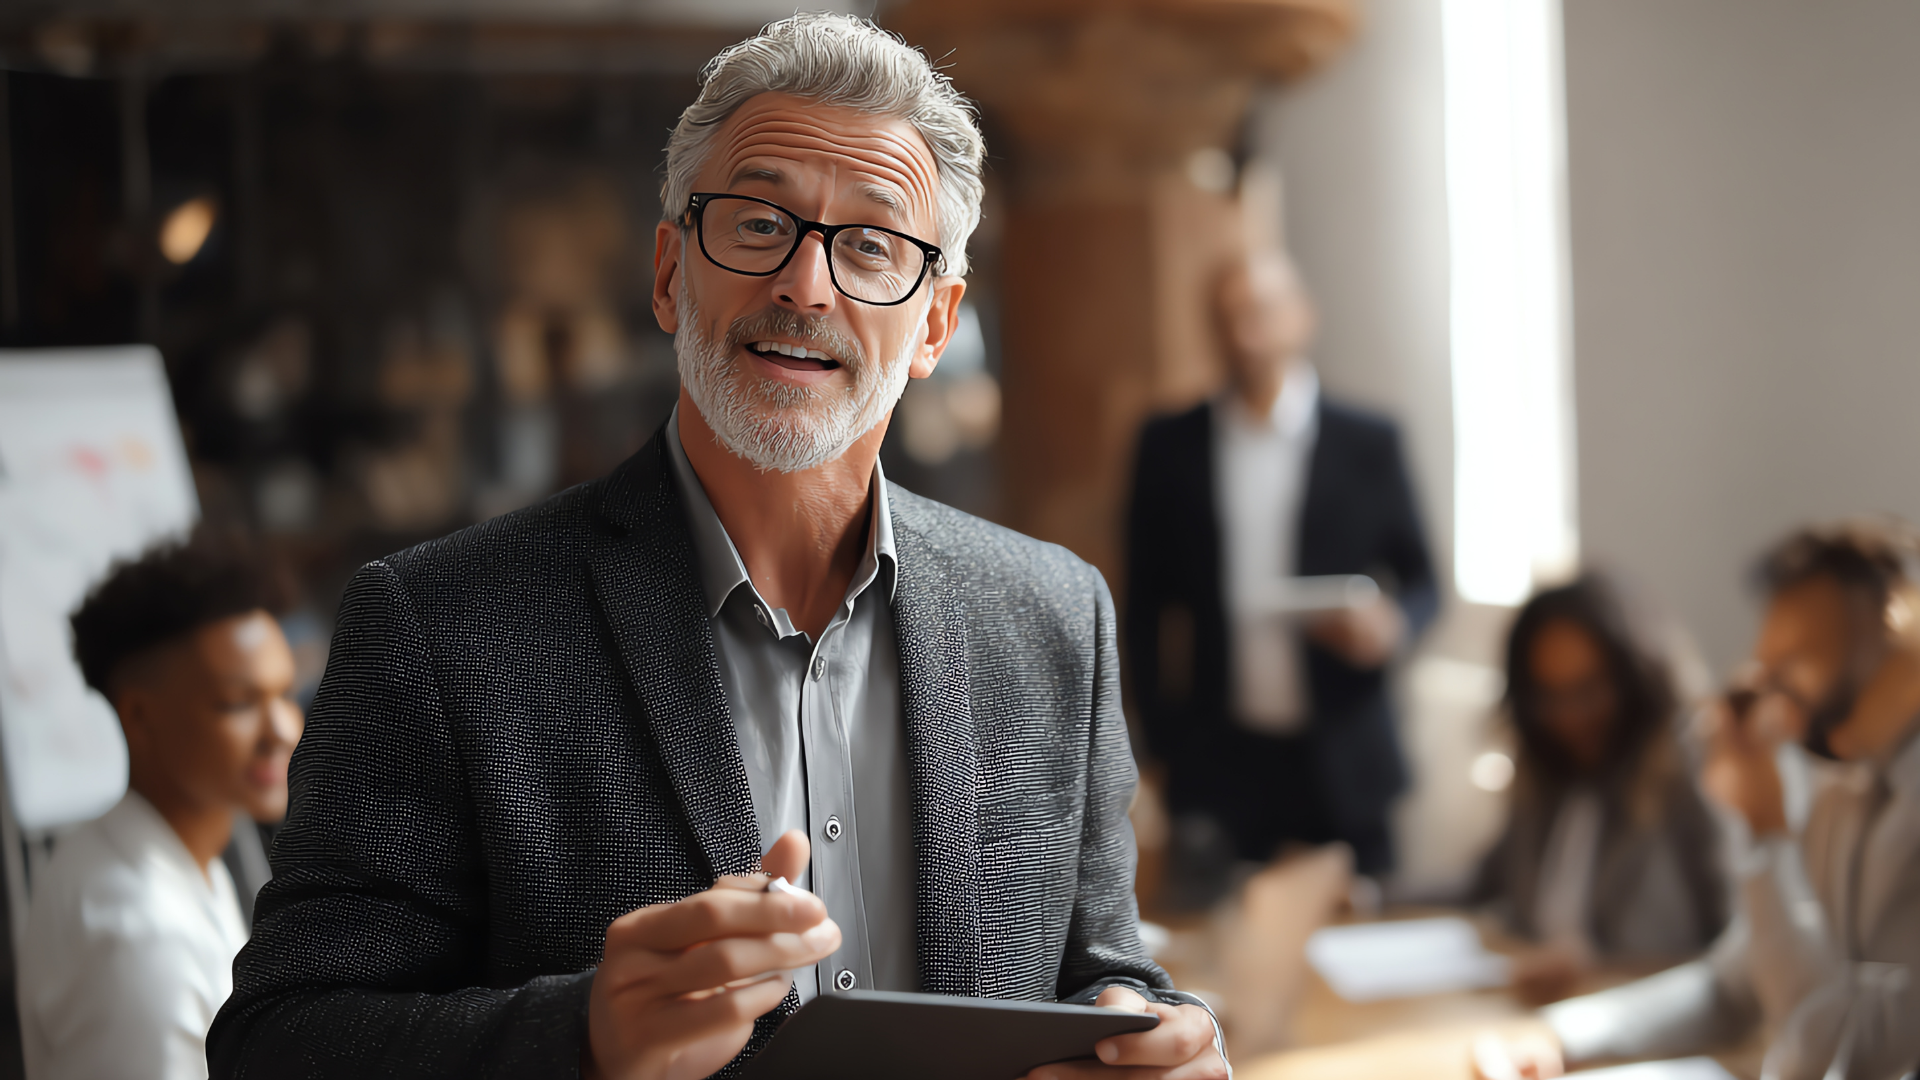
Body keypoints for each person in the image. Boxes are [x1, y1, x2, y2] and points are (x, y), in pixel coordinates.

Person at [209, 15, 1226, 1080]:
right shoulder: (441, 627)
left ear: (934, 324)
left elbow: (1104, 975)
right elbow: (280, 1042)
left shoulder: (1056, 616)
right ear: (667, 273)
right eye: (755, 223)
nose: (806, 284)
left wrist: (1157, 1035)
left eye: (872, 243)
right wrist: (588, 1034)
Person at [1483, 520, 1920, 1080]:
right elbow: (1731, 984)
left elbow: (1841, 1055)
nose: (1764, 687)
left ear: (1897, 631)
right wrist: (1561, 1036)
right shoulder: (1840, 783)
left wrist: (1766, 835)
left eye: (1794, 660)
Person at [1126, 249, 1437, 883]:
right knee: (1215, 961)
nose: (1245, 336)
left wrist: (1393, 627)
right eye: (1227, 319)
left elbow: (1425, 581)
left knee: (1356, 954)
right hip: (1221, 760)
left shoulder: (1369, 442)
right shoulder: (1168, 446)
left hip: (1345, 751)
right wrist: (1161, 743)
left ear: (1302, 317)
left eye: (1261, 314)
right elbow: (1143, 607)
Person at [21, 531, 303, 1080]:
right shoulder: (139, 931)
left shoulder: (174, 864)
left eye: (286, 695)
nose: (283, 730)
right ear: (140, 716)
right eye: (238, 703)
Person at [1473, 573, 1729, 1004]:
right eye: (1550, 696)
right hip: (1540, 1014)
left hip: (1645, 1026)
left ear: (1635, 678)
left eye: (1587, 691)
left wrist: (1601, 966)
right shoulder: (1548, 775)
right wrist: (1367, 892)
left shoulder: (1689, 772)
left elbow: (1737, 950)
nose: (1570, 717)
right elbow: (1482, 880)